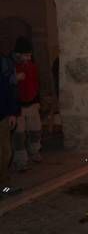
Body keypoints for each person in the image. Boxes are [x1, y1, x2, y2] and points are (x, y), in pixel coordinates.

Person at [12, 37, 42, 170]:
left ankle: (34, 151)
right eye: (26, 55)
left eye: (30, 55)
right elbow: (11, 88)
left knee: (36, 129)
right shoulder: (12, 66)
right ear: (18, 54)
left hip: (32, 103)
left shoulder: (32, 66)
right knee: (19, 134)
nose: (28, 57)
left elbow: (35, 84)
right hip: (18, 106)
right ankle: (20, 160)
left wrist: (37, 100)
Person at [0, 45, 21, 196]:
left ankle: (4, 187)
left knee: (6, 152)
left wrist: (12, 112)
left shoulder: (3, 62)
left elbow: (7, 88)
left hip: (2, 114)